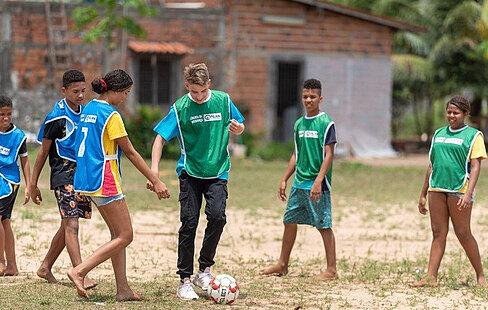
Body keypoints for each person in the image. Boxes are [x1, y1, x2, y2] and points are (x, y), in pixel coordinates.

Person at [66, 69, 169, 301]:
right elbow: (130, 152)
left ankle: (123, 289)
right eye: (125, 93)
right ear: (114, 91)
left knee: (116, 234)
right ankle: (79, 270)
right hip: (105, 180)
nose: (125, 98)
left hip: (86, 179)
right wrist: (156, 180)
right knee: (126, 235)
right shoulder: (111, 115)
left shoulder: (89, 108)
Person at [150, 63, 245, 300]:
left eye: (202, 91)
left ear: (209, 84)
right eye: (194, 92)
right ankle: (184, 279)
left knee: (217, 217)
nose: (199, 97)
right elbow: (159, 139)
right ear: (187, 87)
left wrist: (239, 128)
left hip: (218, 172)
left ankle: (204, 270)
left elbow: (240, 125)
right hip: (190, 172)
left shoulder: (223, 101)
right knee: (189, 223)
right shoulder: (180, 108)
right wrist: (154, 174)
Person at [260, 78, 337, 280]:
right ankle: (282, 264)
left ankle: (331, 270)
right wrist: (285, 178)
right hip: (299, 183)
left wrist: (319, 181)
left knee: (323, 225)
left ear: (320, 98)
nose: (308, 100)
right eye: (305, 96)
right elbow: (296, 154)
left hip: (317, 184)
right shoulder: (298, 124)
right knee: (289, 221)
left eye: (312, 96)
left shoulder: (326, 123)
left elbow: (329, 155)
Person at [30, 70, 96, 289]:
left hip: (81, 176)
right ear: (64, 90)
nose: (80, 95)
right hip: (63, 174)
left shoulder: (86, 113)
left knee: (67, 223)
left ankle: (45, 266)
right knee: (72, 225)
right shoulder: (56, 118)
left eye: (83, 91)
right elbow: (42, 152)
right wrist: (32, 183)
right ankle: (81, 273)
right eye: (75, 91)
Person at [414, 95, 488, 288]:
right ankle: (431, 277)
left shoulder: (474, 136)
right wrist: (423, 193)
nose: (451, 115)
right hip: (436, 188)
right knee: (438, 232)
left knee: (463, 233)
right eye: (449, 112)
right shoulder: (438, 134)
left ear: (465, 114)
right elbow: (431, 165)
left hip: (459, 189)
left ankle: (480, 275)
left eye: (456, 112)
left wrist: (468, 193)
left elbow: (476, 166)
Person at [0, 95, 30, 276]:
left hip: (10, 181)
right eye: (2, 114)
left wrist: (29, 185)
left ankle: (0, 261)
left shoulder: (18, 136)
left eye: (9, 114)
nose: (6, 118)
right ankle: (12, 266)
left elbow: (24, 161)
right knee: (4, 221)